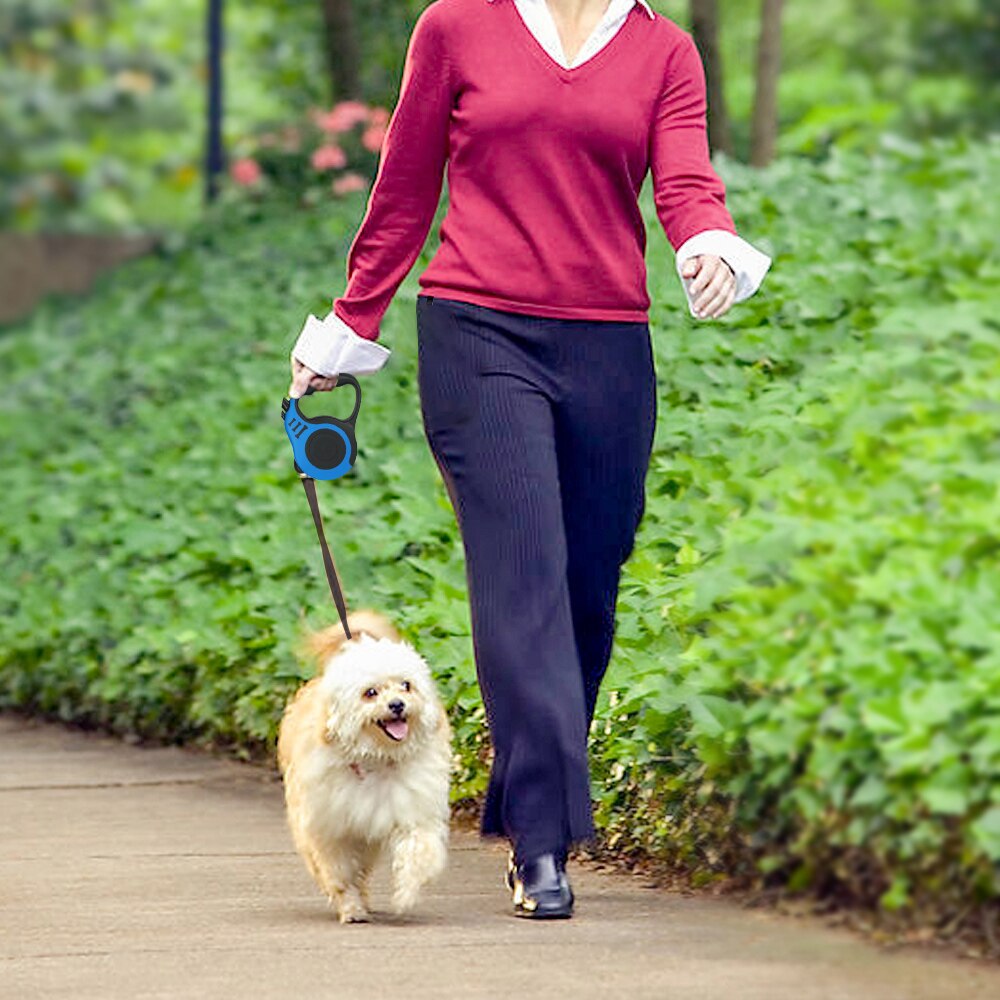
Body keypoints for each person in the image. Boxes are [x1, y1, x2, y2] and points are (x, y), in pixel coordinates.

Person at [287, 0, 771, 919]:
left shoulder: (666, 49)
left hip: (608, 350)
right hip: (477, 335)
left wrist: (708, 243)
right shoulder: (457, 27)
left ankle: (524, 793)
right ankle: (544, 843)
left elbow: (686, 183)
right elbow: (405, 183)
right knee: (525, 579)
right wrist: (353, 318)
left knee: (587, 589)